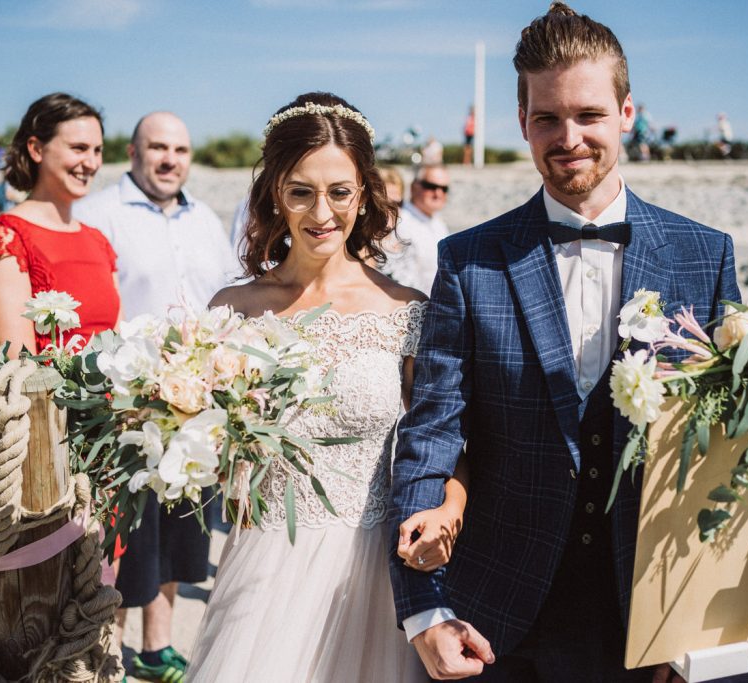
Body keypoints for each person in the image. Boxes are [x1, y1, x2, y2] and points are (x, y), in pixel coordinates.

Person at [389, 4, 741, 681]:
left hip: (648, 617)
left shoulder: (706, 256)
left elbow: (719, 457)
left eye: (589, 115)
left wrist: (694, 617)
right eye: (546, 117)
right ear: (522, 123)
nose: (568, 136)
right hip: (492, 619)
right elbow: (429, 435)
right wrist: (425, 612)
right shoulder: (468, 261)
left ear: (628, 112)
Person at [187, 91, 466, 683]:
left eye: (339, 191)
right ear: (274, 194)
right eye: (300, 191)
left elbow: (447, 438)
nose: (322, 213)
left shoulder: (406, 310)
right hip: (260, 566)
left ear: (363, 194)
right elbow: (198, 446)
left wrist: (450, 507)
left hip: (370, 572)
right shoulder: (231, 311)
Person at [73, 111, 236, 681]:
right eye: (158, 147)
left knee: (179, 530)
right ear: (133, 151)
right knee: (123, 540)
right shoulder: (98, 216)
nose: (170, 159)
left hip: (193, 405)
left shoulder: (206, 220)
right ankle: (108, 654)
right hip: (126, 406)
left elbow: (225, 298)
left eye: (180, 149)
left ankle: (155, 648)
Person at [0, 92, 119, 357]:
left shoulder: (97, 240)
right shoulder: (6, 239)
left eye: (98, 150)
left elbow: (120, 340)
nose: (92, 163)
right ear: (36, 149)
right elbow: (17, 368)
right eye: (79, 148)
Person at [384, 164, 451, 293]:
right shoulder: (398, 222)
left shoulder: (438, 222)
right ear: (414, 187)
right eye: (430, 186)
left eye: (444, 188)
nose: (438, 193)